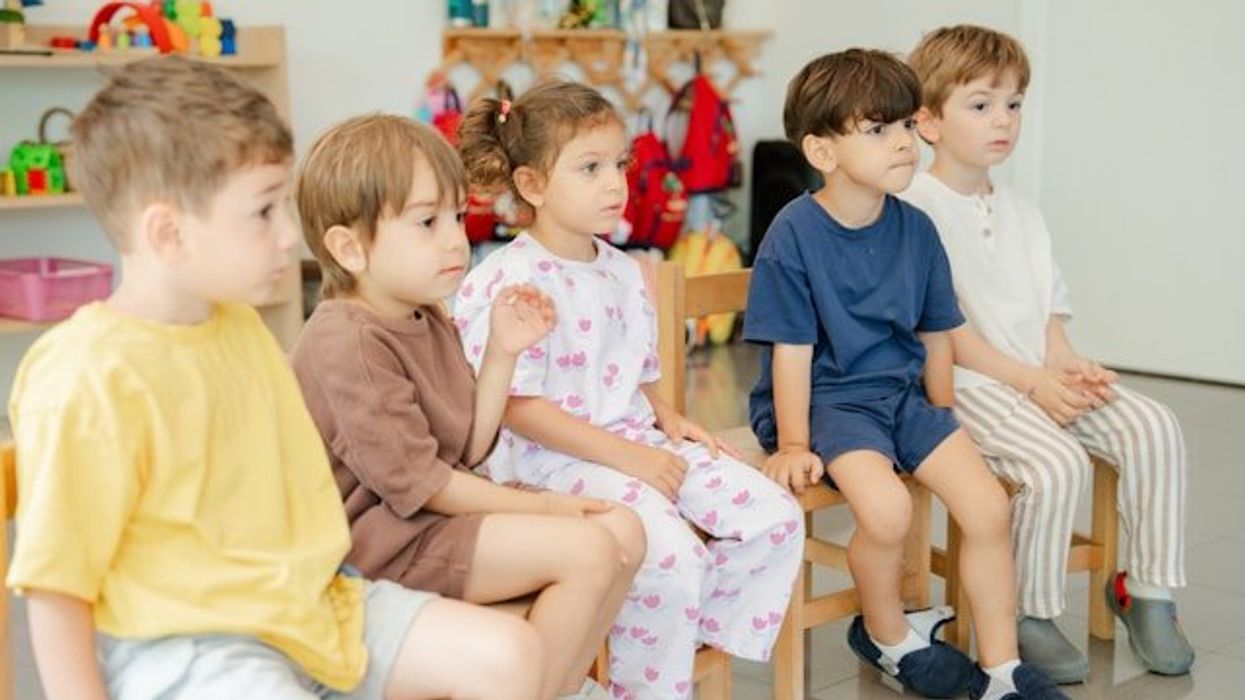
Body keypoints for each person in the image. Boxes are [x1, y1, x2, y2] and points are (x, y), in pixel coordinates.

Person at [7, 57, 543, 700]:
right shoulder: (86, 374)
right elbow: (56, 594)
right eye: (264, 212)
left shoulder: (239, 330)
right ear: (167, 233)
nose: (291, 236)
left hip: (316, 605)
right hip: (190, 642)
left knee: (513, 655)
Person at [453, 80, 805, 700]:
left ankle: (684, 635)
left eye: (620, 164)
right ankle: (649, 684)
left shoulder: (624, 269)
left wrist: (670, 418)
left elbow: (631, 376)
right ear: (533, 185)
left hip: (633, 440)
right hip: (552, 465)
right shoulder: (508, 279)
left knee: (774, 516)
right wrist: (634, 460)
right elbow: (517, 408)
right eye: (590, 168)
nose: (616, 184)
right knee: (674, 560)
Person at [746, 48, 1067, 699]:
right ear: (822, 151)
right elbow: (791, 353)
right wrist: (791, 445)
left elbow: (932, 334)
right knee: (887, 512)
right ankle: (888, 637)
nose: (902, 142)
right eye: (876, 129)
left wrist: (941, 414)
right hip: (826, 401)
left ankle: (1003, 669)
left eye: (903, 125)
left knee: (985, 505)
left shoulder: (916, 229)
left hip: (903, 395)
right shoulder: (793, 233)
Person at [291, 114, 645, 700]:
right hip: (381, 549)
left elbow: (469, 447)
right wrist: (551, 508)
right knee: (587, 547)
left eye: (457, 216)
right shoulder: (346, 339)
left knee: (624, 530)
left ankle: (554, 688)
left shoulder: (424, 311)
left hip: (434, 523)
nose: (456, 239)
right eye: (427, 223)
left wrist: (502, 353)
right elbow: (426, 484)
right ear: (349, 247)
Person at [901, 23, 1194, 681]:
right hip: (970, 388)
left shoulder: (1023, 212)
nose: (1001, 120)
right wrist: (1030, 382)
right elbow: (943, 333)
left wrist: (1066, 364)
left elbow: (1047, 322)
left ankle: (1145, 592)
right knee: (1055, 463)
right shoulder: (913, 207)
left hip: (1033, 376)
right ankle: (1028, 611)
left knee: (1153, 425)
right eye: (979, 105)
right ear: (927, 121)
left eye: (1013, 104)